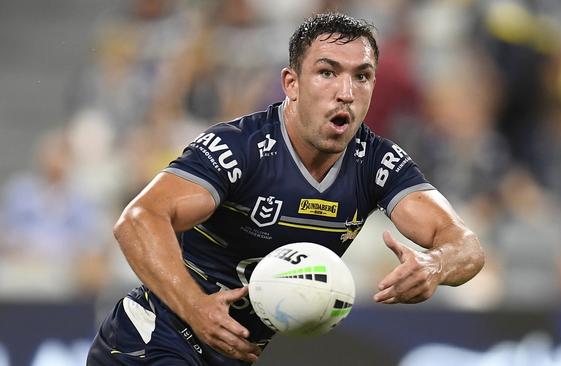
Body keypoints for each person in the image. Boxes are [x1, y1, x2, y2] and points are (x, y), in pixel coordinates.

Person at [87, 12, 485, 365]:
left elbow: (465, 245)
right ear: (291, 83)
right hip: (150, 342)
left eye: (361, 76)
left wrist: (435, 265)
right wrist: (195, 307)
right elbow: (138, 219)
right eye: (327, 72)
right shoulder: (239, 148)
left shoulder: (377, 162)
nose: (346, 91)